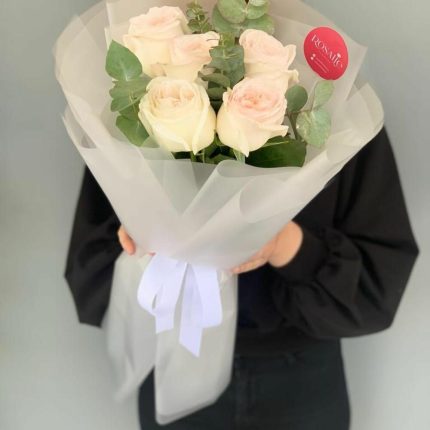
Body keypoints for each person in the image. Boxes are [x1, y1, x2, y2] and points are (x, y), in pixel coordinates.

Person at [65, 127, 419, 429]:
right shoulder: (142, 103)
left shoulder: (337, 111)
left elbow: (378, 281)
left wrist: (285, 244)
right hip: (177, 358)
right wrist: (144, 236)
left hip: (301, 376)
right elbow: (93, 260)